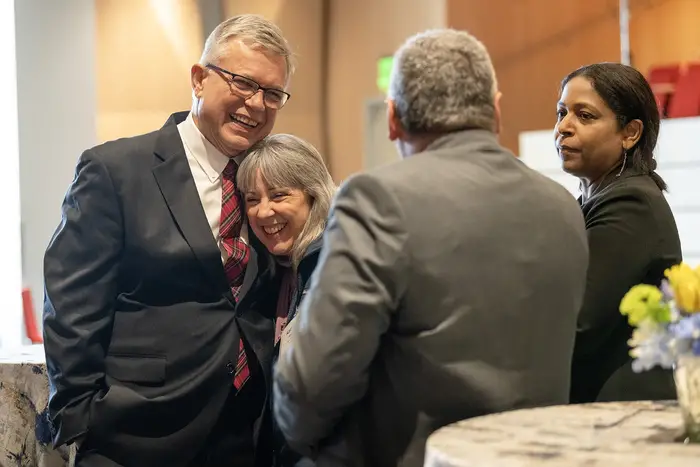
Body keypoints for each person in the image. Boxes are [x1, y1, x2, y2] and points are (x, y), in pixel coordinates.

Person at [272, 28, 590, 466]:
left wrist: (300, 439)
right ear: (495, 112)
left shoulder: (376, 198)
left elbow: (313, 381)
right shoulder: (563, 207)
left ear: (392, 119)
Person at [42, 14, 294, 467]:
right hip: (135, 437)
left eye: (272, 93)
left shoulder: (275, 182)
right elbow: (71, 306)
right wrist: (83, 416)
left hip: (245, 437)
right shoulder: (115, 170)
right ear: (199, 80)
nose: (256, 104)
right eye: (242, 83)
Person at [555, 63, 683, 403]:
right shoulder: (595, 197)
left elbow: (580, 322)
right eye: (561, 112)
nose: (563, 127)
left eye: (584, 116)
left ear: (630, 133)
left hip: (622, 413)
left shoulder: (630, 202)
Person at [236, 134, 336, 466]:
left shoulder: (336, 269)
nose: (264, 212)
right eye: (252, 199)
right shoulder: (278, 269)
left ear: (314, 196)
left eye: (279, 195)